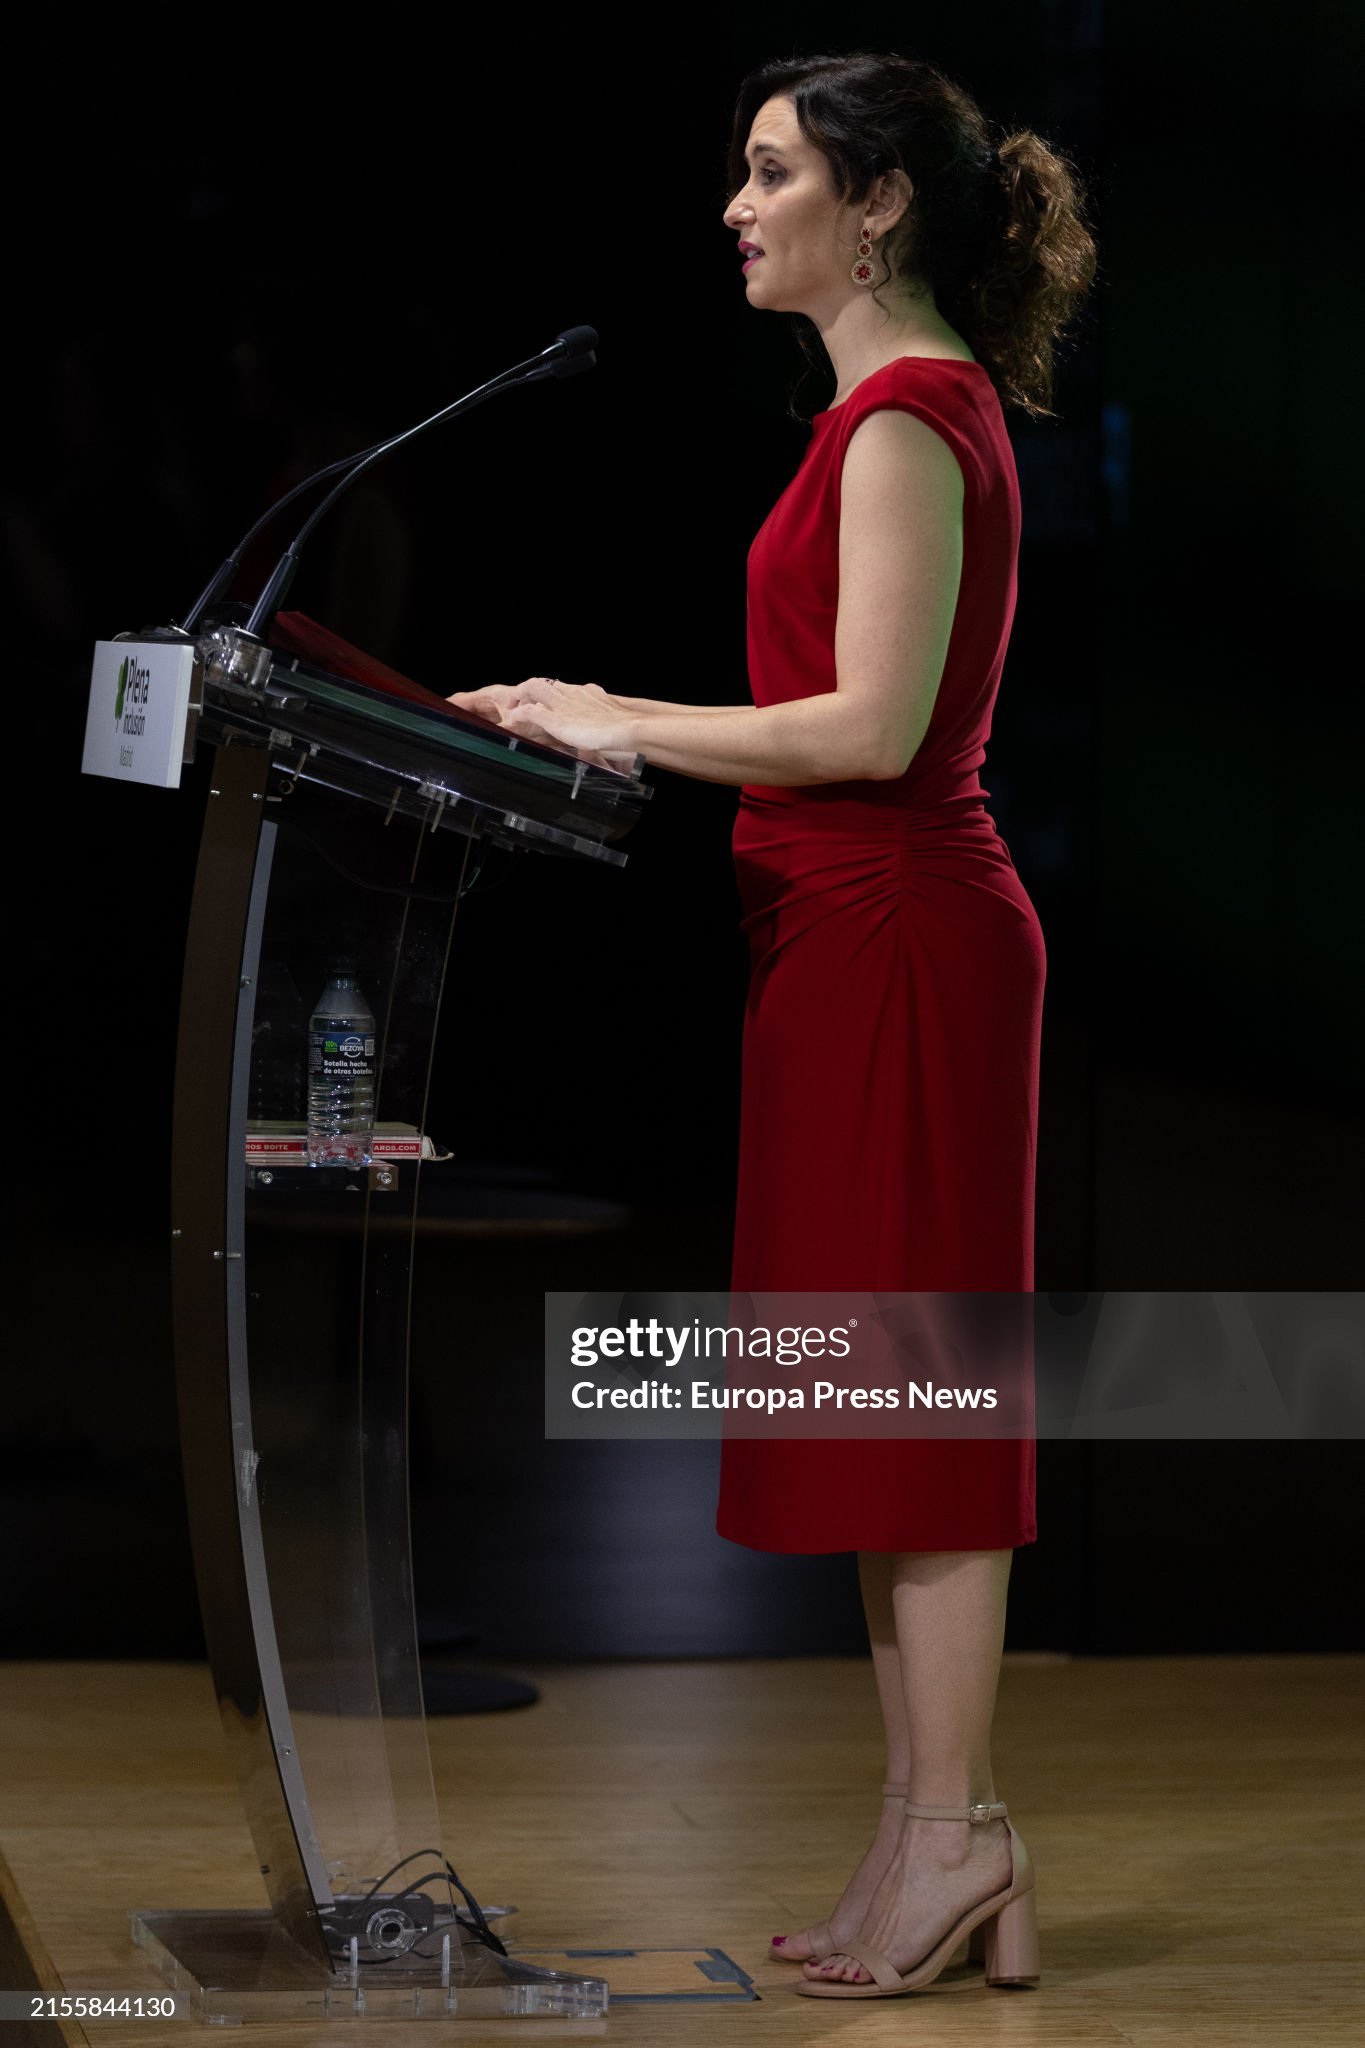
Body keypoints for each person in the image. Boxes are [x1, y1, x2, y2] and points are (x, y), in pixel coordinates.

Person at [448, 48, 1096, 2005]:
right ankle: (928, 1833)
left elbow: (870, 732)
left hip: (899, 936)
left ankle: (958, 1832)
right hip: (840, 937)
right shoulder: (879, 414)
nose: (735, 209)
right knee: (875, 1400)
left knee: (919, 1410)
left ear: (875, 203)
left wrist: (610, 714)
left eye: (770, 172)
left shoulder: (904, 422)